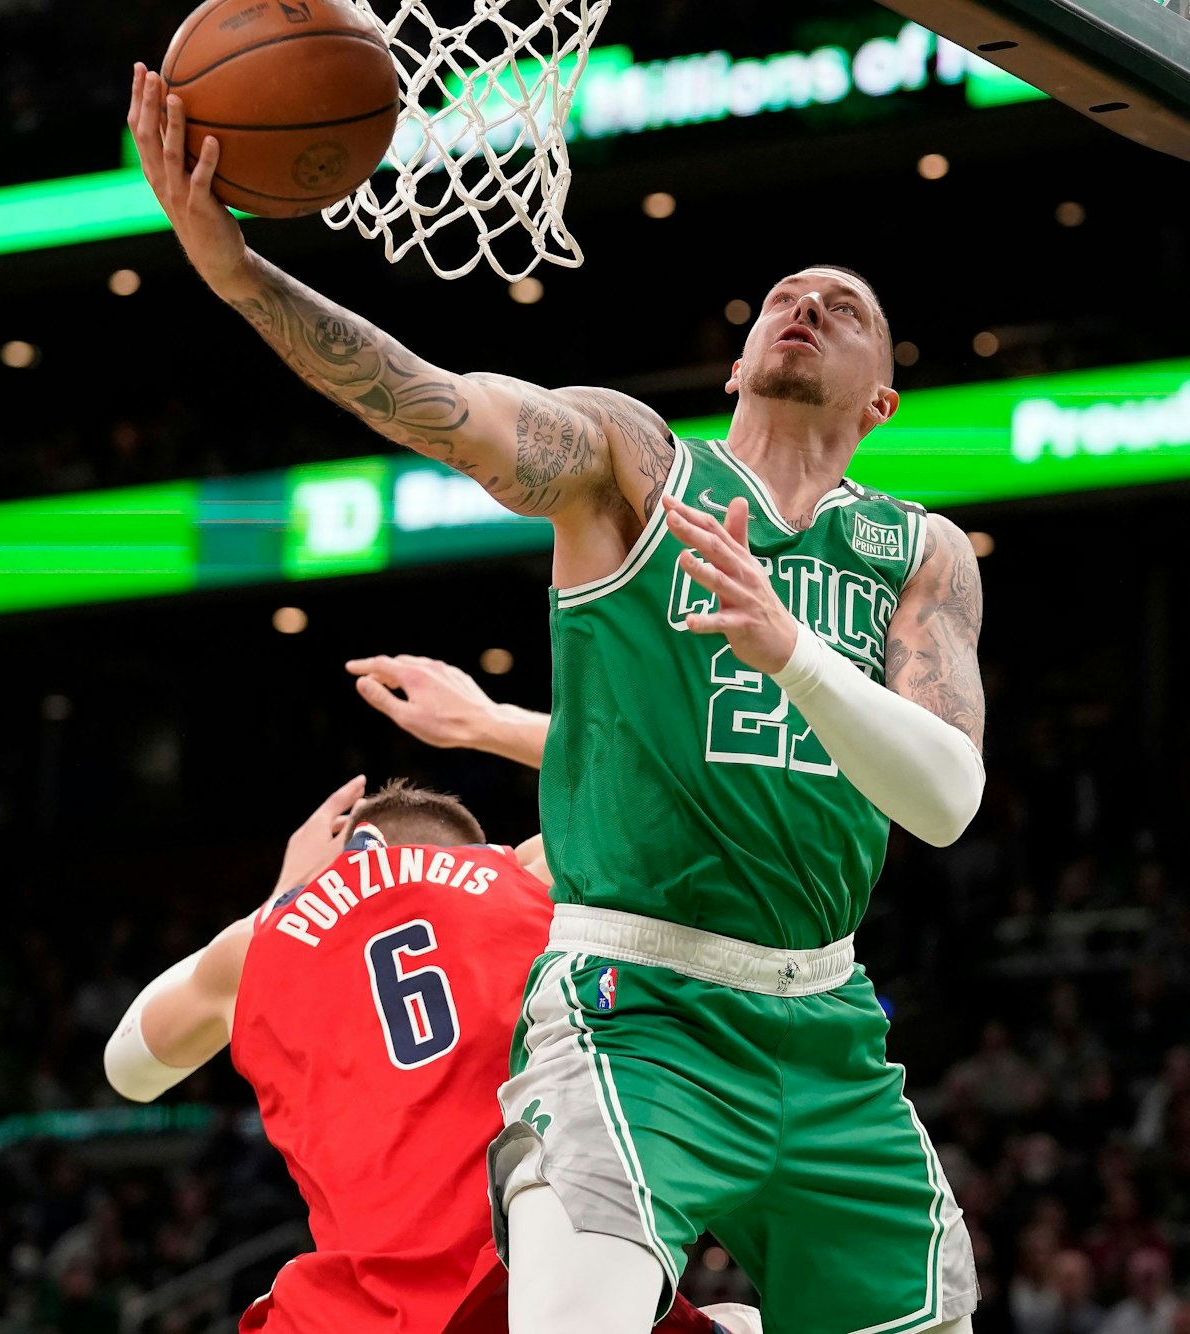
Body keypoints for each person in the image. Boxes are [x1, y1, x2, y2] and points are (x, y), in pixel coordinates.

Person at [130, 41, 986, 1334]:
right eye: (779, 296)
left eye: (841, 303)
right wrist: (242, 277)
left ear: (881, 397)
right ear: (737, 359)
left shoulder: (913, 550)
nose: (802, 303)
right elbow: (438, 402)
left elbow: (941, 799)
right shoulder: (632, 466)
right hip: (631, 995)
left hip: (820, 1015)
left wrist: (783, 652)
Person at [101, 775, 734, 1334]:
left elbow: (128, 1069)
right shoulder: (528, 873)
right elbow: (665, 776)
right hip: (528, 1279)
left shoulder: (259, 940)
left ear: (356, 845)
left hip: (348, 1310)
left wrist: (284, 890)